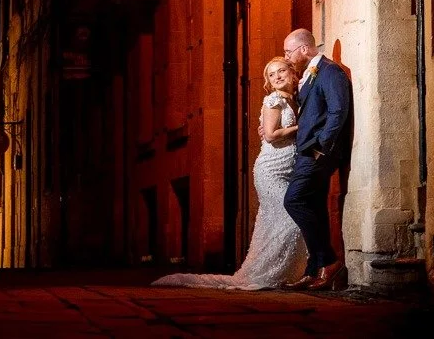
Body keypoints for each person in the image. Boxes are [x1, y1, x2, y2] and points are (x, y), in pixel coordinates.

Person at [151, 57, 307, 290]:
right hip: (271, 171)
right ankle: (267, 273)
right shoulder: (273, 100)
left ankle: (282, 273)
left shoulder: (295, 99)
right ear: (268, 81)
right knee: (291, 219)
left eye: (281, 71)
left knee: (275, 223)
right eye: (272, 74)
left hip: (288, 170)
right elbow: (272, 135)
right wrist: (301, 127)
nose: (277, 77)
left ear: (292, 73)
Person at [281, 28, 353, 291]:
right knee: (314, 206)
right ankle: (314, 270)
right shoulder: (309, 75)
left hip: (317, 152)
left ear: (304, 49)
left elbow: (337, 112)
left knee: (294, 199)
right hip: (307, 150)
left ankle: (328, 261)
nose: (286, 56)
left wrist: (321, 148)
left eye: (289, 51)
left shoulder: (330, 71)